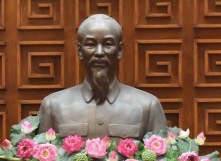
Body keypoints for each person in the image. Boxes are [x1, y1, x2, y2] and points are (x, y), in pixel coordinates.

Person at [37, 14, 168, 140]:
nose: (99, 52)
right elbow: (39, 158)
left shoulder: (148, 106)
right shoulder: (53, 105)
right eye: (91, 44)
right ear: (79, 51)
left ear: (120, 50)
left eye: (107, 44)